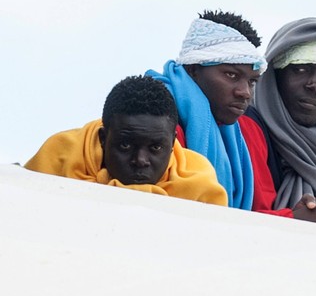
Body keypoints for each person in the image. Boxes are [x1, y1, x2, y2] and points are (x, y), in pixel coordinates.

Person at [147, 10, 316, 225]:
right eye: (231, 75)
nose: (245, 93)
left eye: (252, 81)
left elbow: (258, 211)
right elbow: (164, 213)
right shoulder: (153, 117)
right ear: (194, 69)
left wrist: (300, 213)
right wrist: (293, 220)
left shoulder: (248, 131)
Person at [24, 75, 228, 205]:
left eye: (156, 147)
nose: (140, 160)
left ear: (173, 144)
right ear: (103, 138)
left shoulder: (199, 184)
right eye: (126, 145)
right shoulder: (58, 158)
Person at [240, 17, 316, 226]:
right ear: (274, 77)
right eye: (300, 69)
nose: (315, 85)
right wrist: (294, 220)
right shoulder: (243, 129)